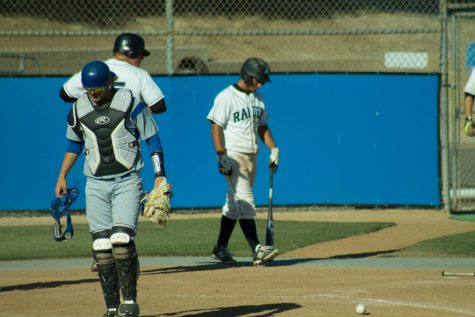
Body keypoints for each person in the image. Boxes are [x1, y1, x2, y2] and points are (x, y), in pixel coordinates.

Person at [54, 60, 169, 317]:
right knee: (101, 246)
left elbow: (152, 139)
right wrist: (62, 176)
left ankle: (129, 302)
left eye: (97, 90)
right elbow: (73, 146)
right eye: (88, 91)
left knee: (121, 239)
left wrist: (159, 176)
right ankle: (111, 307)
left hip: (126, 179)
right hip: (95, 183)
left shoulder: (130, 102)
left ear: (109, 83)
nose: (93, 96)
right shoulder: (77, 110)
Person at [206, 57, 280, 266]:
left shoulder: (259, 98)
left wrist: (274, 149)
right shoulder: (226, 97)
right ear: (248, 76)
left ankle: (220, 247)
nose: (261, 83)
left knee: (233, 204)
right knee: (246, 202)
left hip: (252, 155)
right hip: (233, 156)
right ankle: (257, 249)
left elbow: (262, 127)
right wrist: (221, 156)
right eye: (258, 79)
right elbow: (216, 126)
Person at [60, 32, 166, 114]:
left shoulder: (94, 69)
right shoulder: (139, 74)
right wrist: (134, 113)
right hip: (127, 138)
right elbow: (158, 106)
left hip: (95, 133)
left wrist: (93, 101)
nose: (142, 58)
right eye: (140, 54)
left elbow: (65, 94)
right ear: (131, 53)